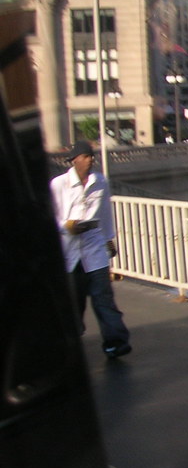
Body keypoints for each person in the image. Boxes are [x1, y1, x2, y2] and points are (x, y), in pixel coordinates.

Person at [50, 140, 132, 358]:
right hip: (70, 253)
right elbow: (53, 215)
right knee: (73, 302)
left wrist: (109, 240)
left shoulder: (100, 182)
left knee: (103, 299)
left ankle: (116, 342)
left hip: (94, 251)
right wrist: (67, 227)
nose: (90, 160)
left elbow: (104, 213)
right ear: (75, 160)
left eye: (92, 156)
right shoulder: (59, 184)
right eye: (86, 156)